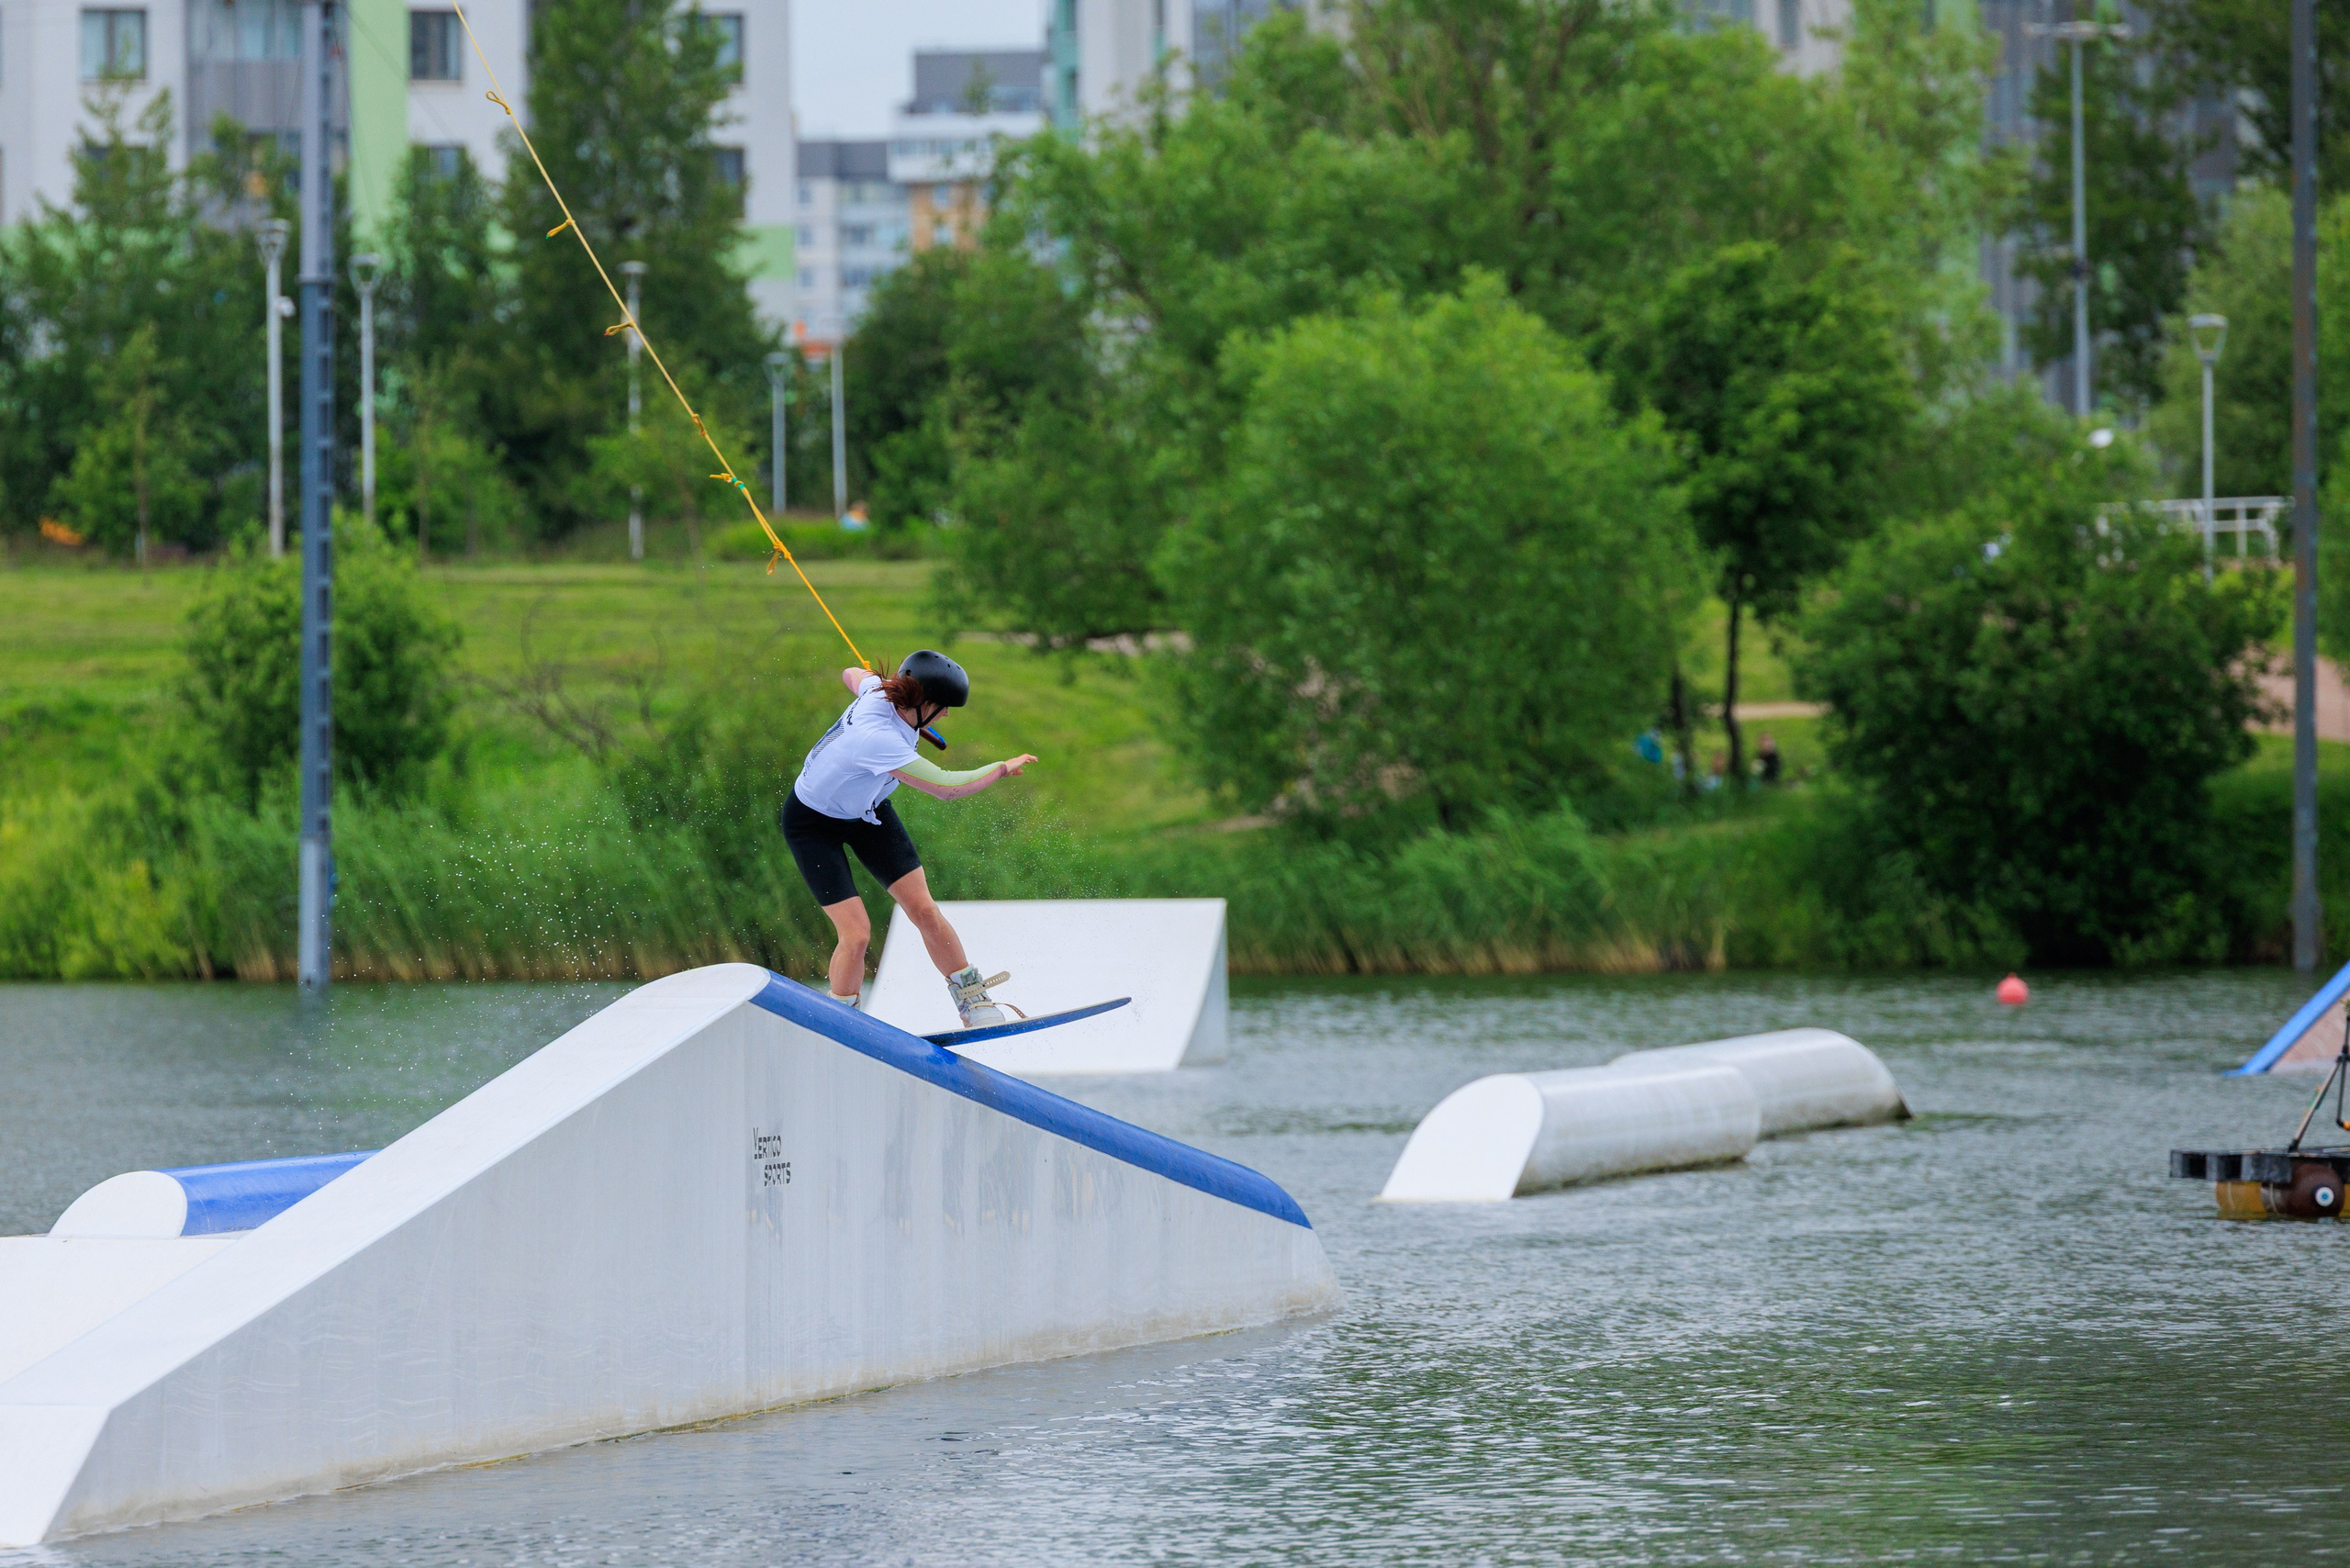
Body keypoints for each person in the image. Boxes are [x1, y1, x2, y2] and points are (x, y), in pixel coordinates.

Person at [781, 650, 1036, 1024]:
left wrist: (876, 681)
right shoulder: (878, 740)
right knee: (857, 934)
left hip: (867, 812)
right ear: (922, 702)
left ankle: (974, 1002)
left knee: (925, 910)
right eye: (943, 707)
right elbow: (947, 787)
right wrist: (1000, 768)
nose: (946, 716)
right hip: (812, 824)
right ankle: (839, 1021)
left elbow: (851, 672)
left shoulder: (876, 691)